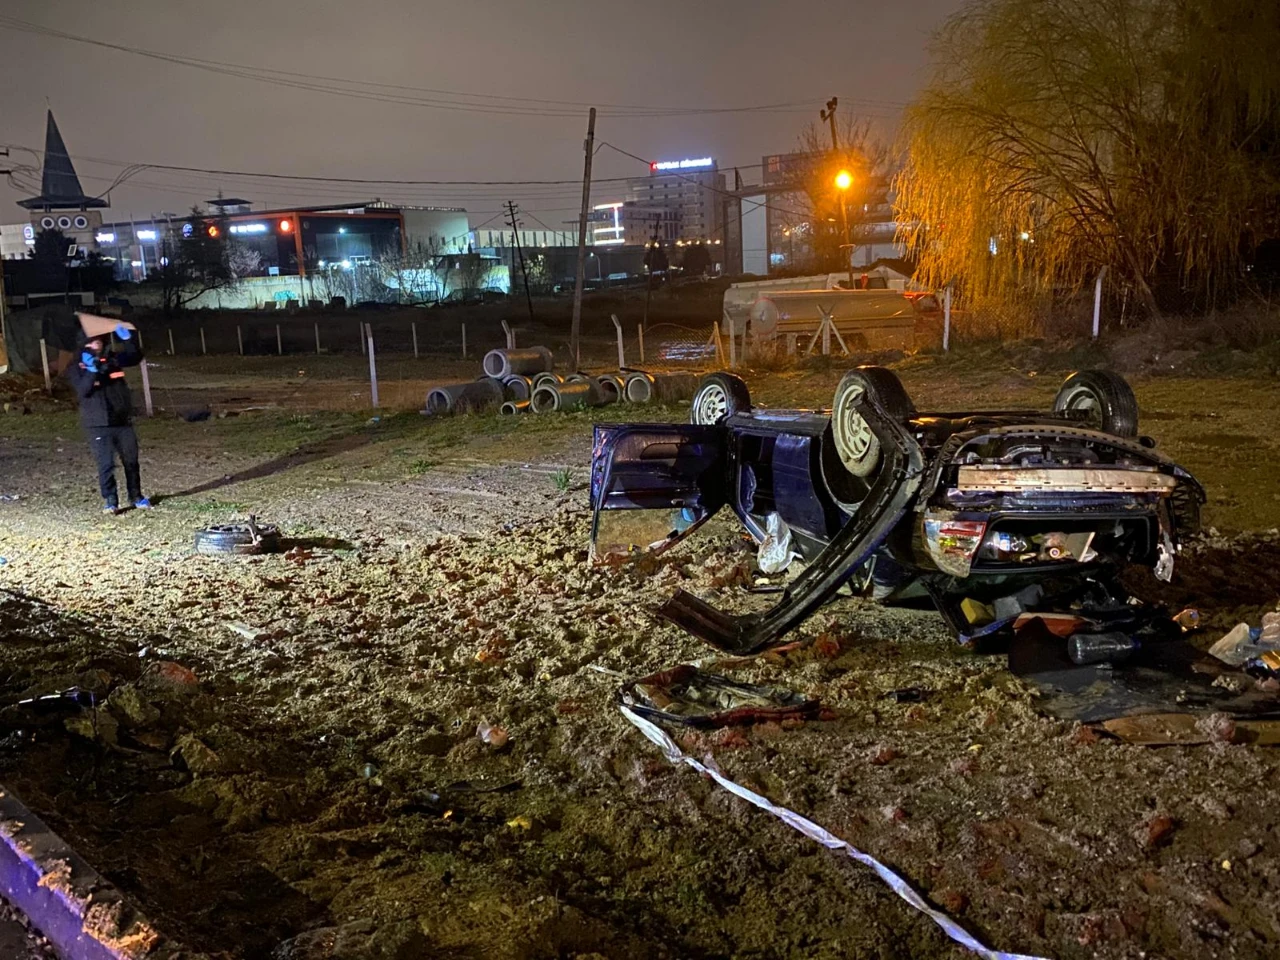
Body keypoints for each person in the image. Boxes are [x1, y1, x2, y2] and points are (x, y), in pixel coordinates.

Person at [67, 326, 151, 515]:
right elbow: (84, 391)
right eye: (91, 341)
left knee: (131, 461)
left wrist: (128, 339)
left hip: (122, 421)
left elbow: (134, 356)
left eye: (98, 340)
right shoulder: (76, 366)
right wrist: (91, 370)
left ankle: (136, 496)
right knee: (106, 464)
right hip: (97, 424)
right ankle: (110, 500)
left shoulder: (112, 358)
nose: (96, 343)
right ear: (84, 344)